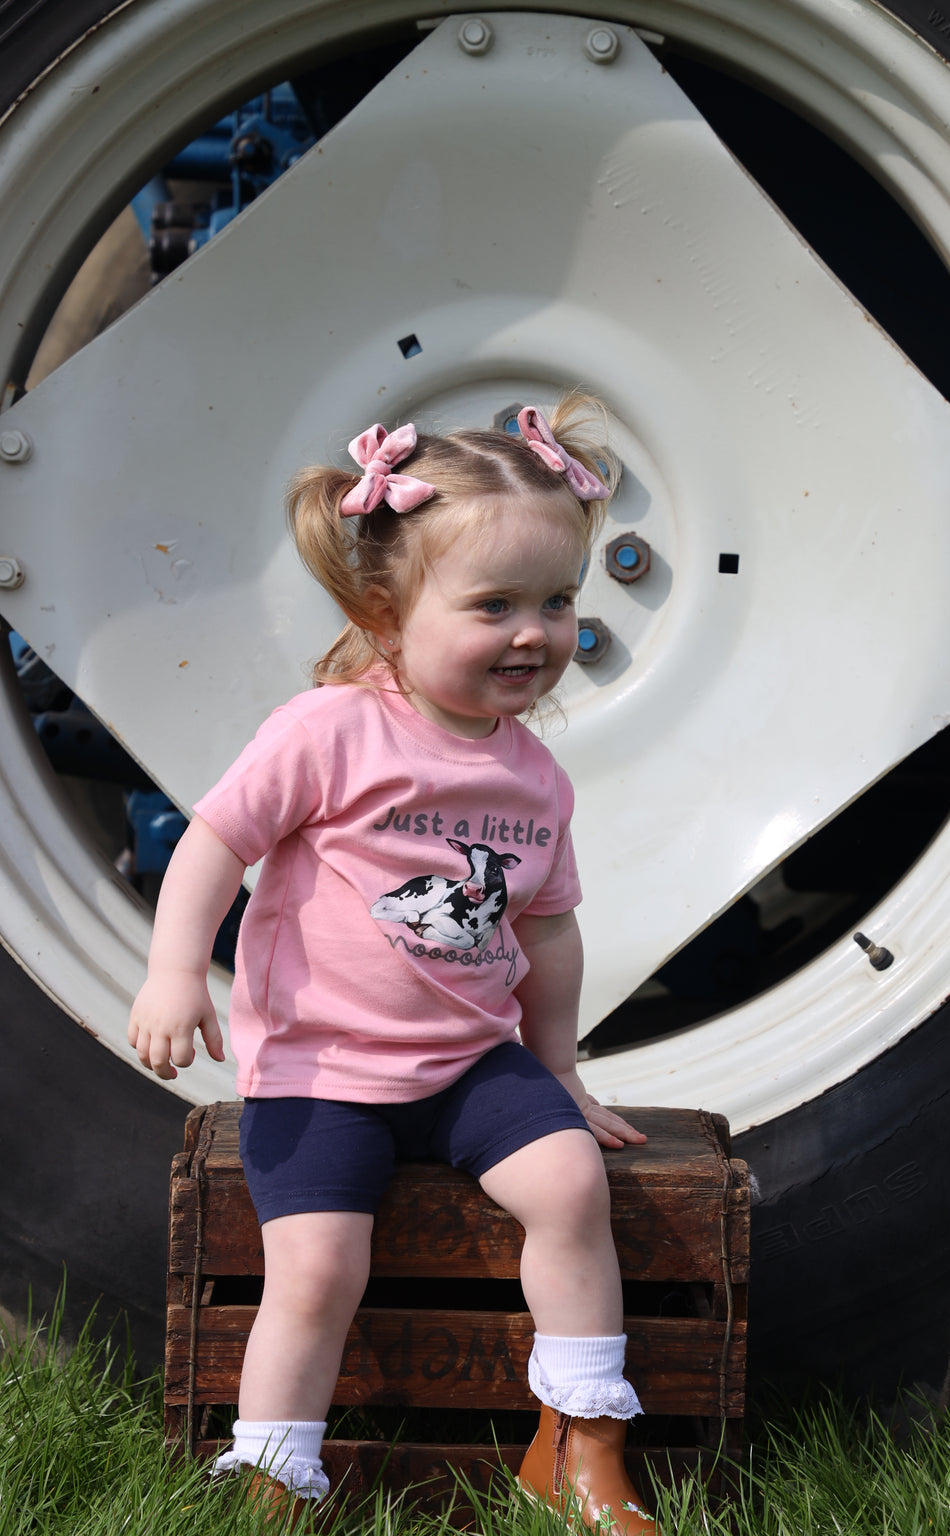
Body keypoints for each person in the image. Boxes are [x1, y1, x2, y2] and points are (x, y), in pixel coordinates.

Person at [128, 398, 660, 1534]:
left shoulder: (533, 779)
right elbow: (215, 841)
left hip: (470, 1064)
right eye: (494, 606)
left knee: (571, 1186)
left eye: (558, 602)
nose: (536, 633)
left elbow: (548, 929)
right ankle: (274, 1480)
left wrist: (556, 1069)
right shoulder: (328, 731)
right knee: (317, 1270)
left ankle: (579, 1446)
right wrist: (177, 970)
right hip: (320, 1071)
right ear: (385, 613)